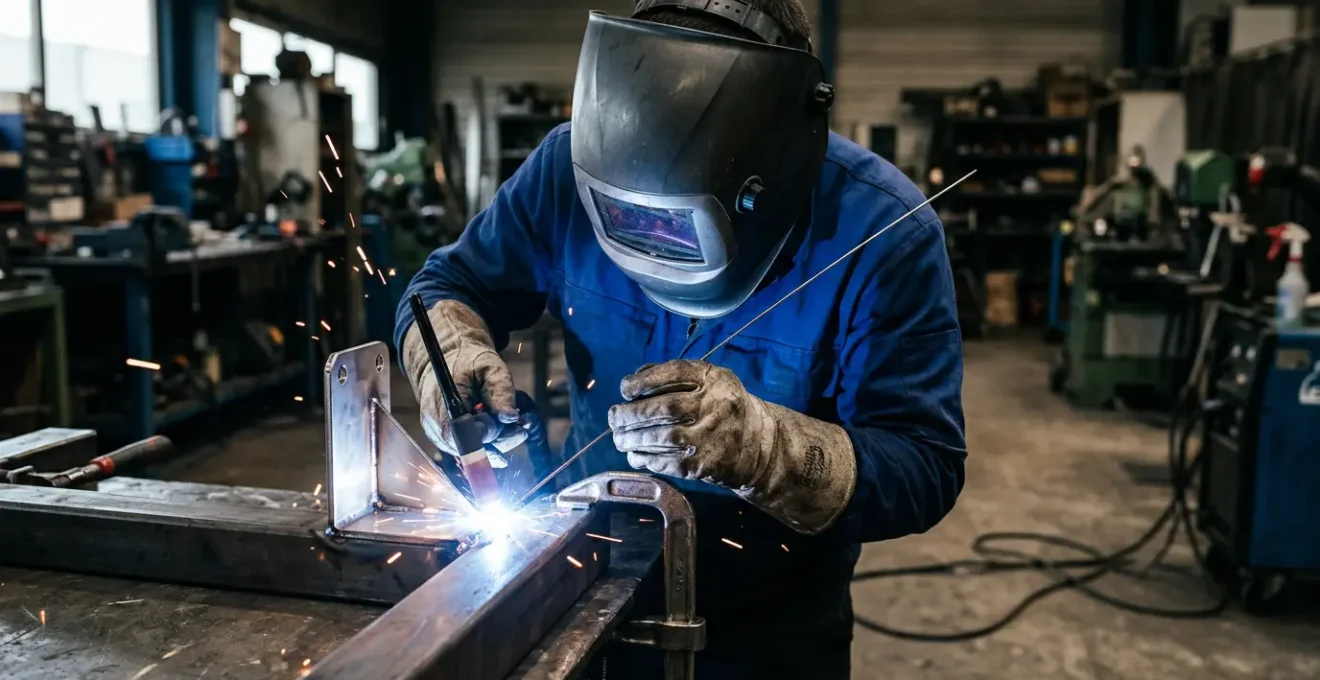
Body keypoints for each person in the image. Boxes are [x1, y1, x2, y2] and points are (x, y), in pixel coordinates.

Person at [395, 1, 967, 677]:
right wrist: (454, 358)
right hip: (585, 581)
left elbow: (925, 465)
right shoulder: (565, 168)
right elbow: (446, 286)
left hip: (767, 626)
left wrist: (766, 449)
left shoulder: (884, 233)